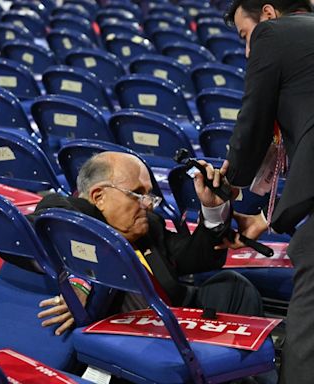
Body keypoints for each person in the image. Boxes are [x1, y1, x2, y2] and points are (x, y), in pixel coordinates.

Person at [34, 152, 263, 336]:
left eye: (149, 193)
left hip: (173, 314)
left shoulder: (148, 225)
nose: (148, 204)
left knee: (234, 286)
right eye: (136, 193)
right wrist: (82, 276)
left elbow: (195, 257)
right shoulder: (66, 218)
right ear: (98, 197)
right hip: (131, 336)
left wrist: (213, 209)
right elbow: (50, 214)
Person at [220, 1, 314, 382]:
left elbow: (252, 121)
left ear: (269, 13)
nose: (247, 49)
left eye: (246, 35)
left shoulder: (273, 34)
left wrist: (227, 185)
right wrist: (265, 219)